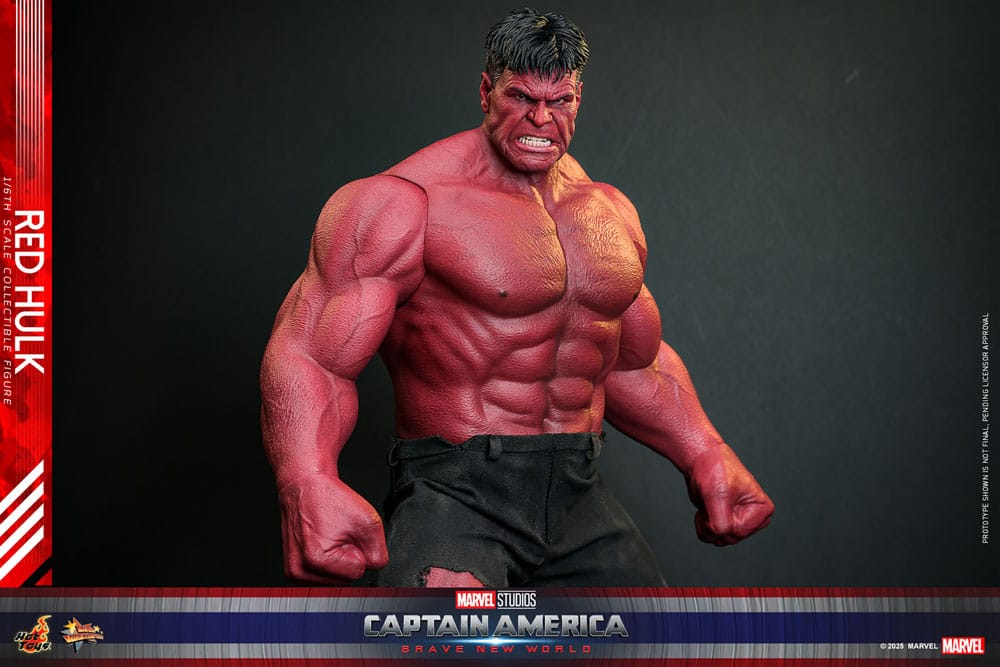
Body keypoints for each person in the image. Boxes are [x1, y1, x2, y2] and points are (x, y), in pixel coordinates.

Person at [260, 8, 773, 587]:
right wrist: (306, 479)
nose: (541, 119)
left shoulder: (608, 212)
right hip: (456, 494)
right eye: (521, 97)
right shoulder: (403, 203)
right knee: (449, 634)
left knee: (650, 633)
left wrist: (704, 450)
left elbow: (632, 361)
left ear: (579, 98)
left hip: (578, 490)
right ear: (486, 91)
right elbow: (311, 355)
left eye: (560, 101)